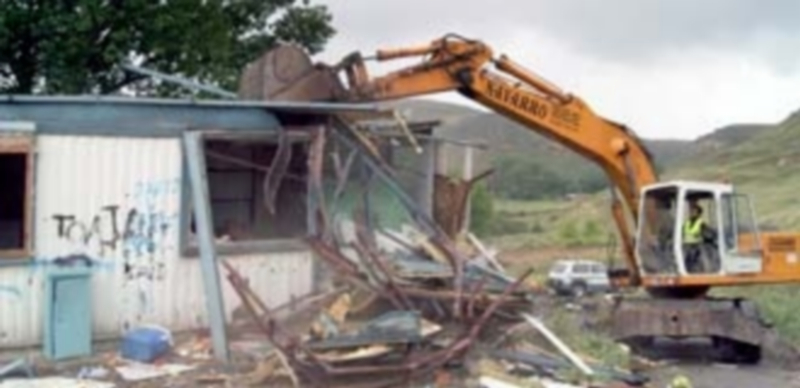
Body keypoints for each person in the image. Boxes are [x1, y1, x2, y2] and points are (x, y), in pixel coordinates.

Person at [683, 203, 716, 273]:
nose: (692, 213)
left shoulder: (701, 223)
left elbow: (708, 234)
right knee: (686, 261)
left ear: (698, 214)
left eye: (694, 212)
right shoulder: (687, 222)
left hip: (697, 246)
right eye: (691, 212)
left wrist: (702, 235)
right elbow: (683, 232)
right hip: (686, 246)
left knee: (694, 260)